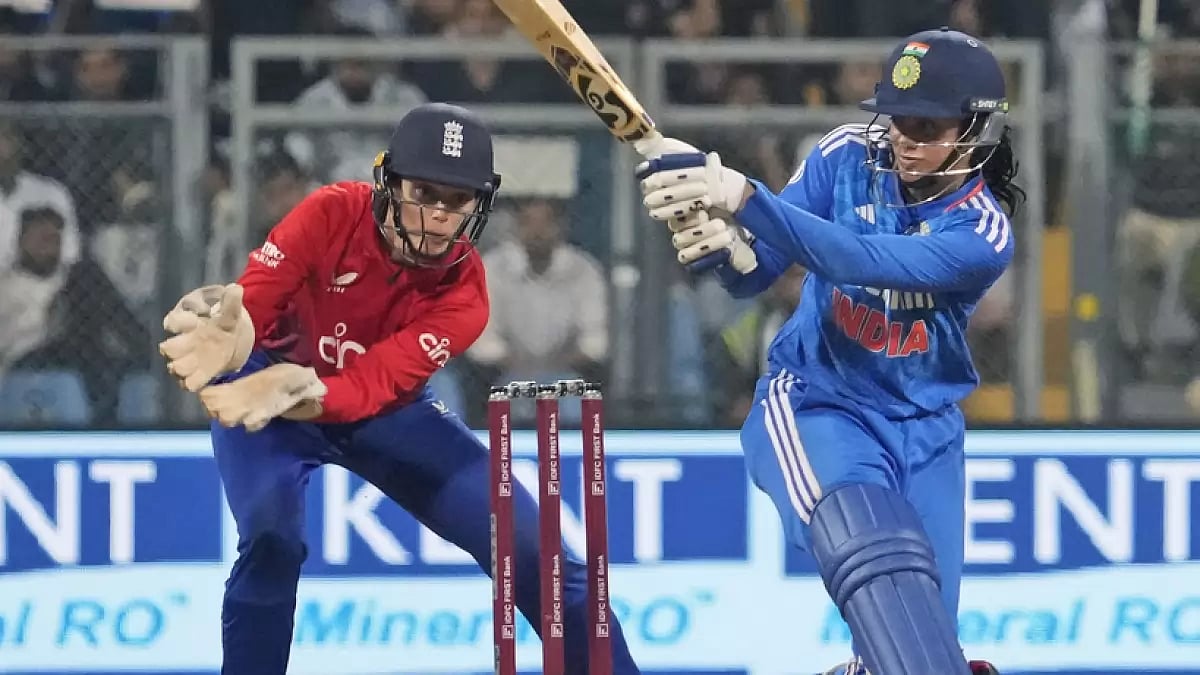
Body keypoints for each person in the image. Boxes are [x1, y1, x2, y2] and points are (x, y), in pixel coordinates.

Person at [158, 102, 642, 675]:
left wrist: (305, 391)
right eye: (424, 194)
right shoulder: (331, 211)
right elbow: (255, 299)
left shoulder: (466, 296)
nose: (438, 216)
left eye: (457, 201)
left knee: (536, 551)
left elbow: (372, 386)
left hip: (380, 412)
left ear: (480, 205)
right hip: (262, 391)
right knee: (271, 540)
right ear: (387, 182)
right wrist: (233, 337)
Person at [634, 28, 1017, 675]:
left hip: (927, 434)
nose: (903, 139)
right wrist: (724, 249)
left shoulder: (982, 233)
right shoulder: (844, 155)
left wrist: (743, 196)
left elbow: (865, 258)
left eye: (925, 126)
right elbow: (763, 271)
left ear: (976, 132)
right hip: (819, 402)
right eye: (895, 121)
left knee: (919, 654)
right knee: (877, 556)